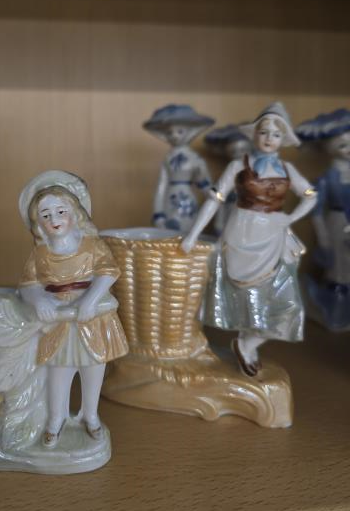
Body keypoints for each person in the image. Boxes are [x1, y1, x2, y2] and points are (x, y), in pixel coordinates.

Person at [181, 103, 317, 376]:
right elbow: (215, 200)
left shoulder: (287, 169)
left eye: (276, 134)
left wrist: (290, 218)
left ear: (283, 139)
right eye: (263, 132)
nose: (269, 138)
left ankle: (248, 343)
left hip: (273, 237)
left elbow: (311, 196)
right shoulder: (237, 165)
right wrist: (193, 235)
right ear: (254, 135)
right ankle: (245, 342)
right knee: (245, 298)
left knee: (285, 303)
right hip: (241, 233)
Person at [18, 171, 128, 447]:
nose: (54, 219)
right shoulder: (40, 254)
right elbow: (28, 284)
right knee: (60, 370)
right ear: (38, 223)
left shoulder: (92, 245)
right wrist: (39, 300)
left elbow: (109, 271)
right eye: (45, 215)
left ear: (74, 212)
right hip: (59, 320)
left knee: (93, 368)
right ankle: (56, 419)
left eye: (60, 211)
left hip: (92, 317)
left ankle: (90, 415)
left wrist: (90, 300)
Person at [296, 109, 350, 328]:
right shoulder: (328, 177)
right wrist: (324, 238)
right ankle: (337, 310)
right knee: (339, 267)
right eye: (342, 145)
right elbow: (316, 211)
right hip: (337, 223)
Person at [143, 104, 214, 233]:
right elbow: (161, 186)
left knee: (189, 231)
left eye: (180, 131)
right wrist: (158, 213)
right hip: (170, 201)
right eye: (170, 132)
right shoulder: (168, 159)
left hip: (188, 201)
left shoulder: (194, 158)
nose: (175, 136)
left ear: (190, 132)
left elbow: (205, 184)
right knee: (170, 233)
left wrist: (213, 197)